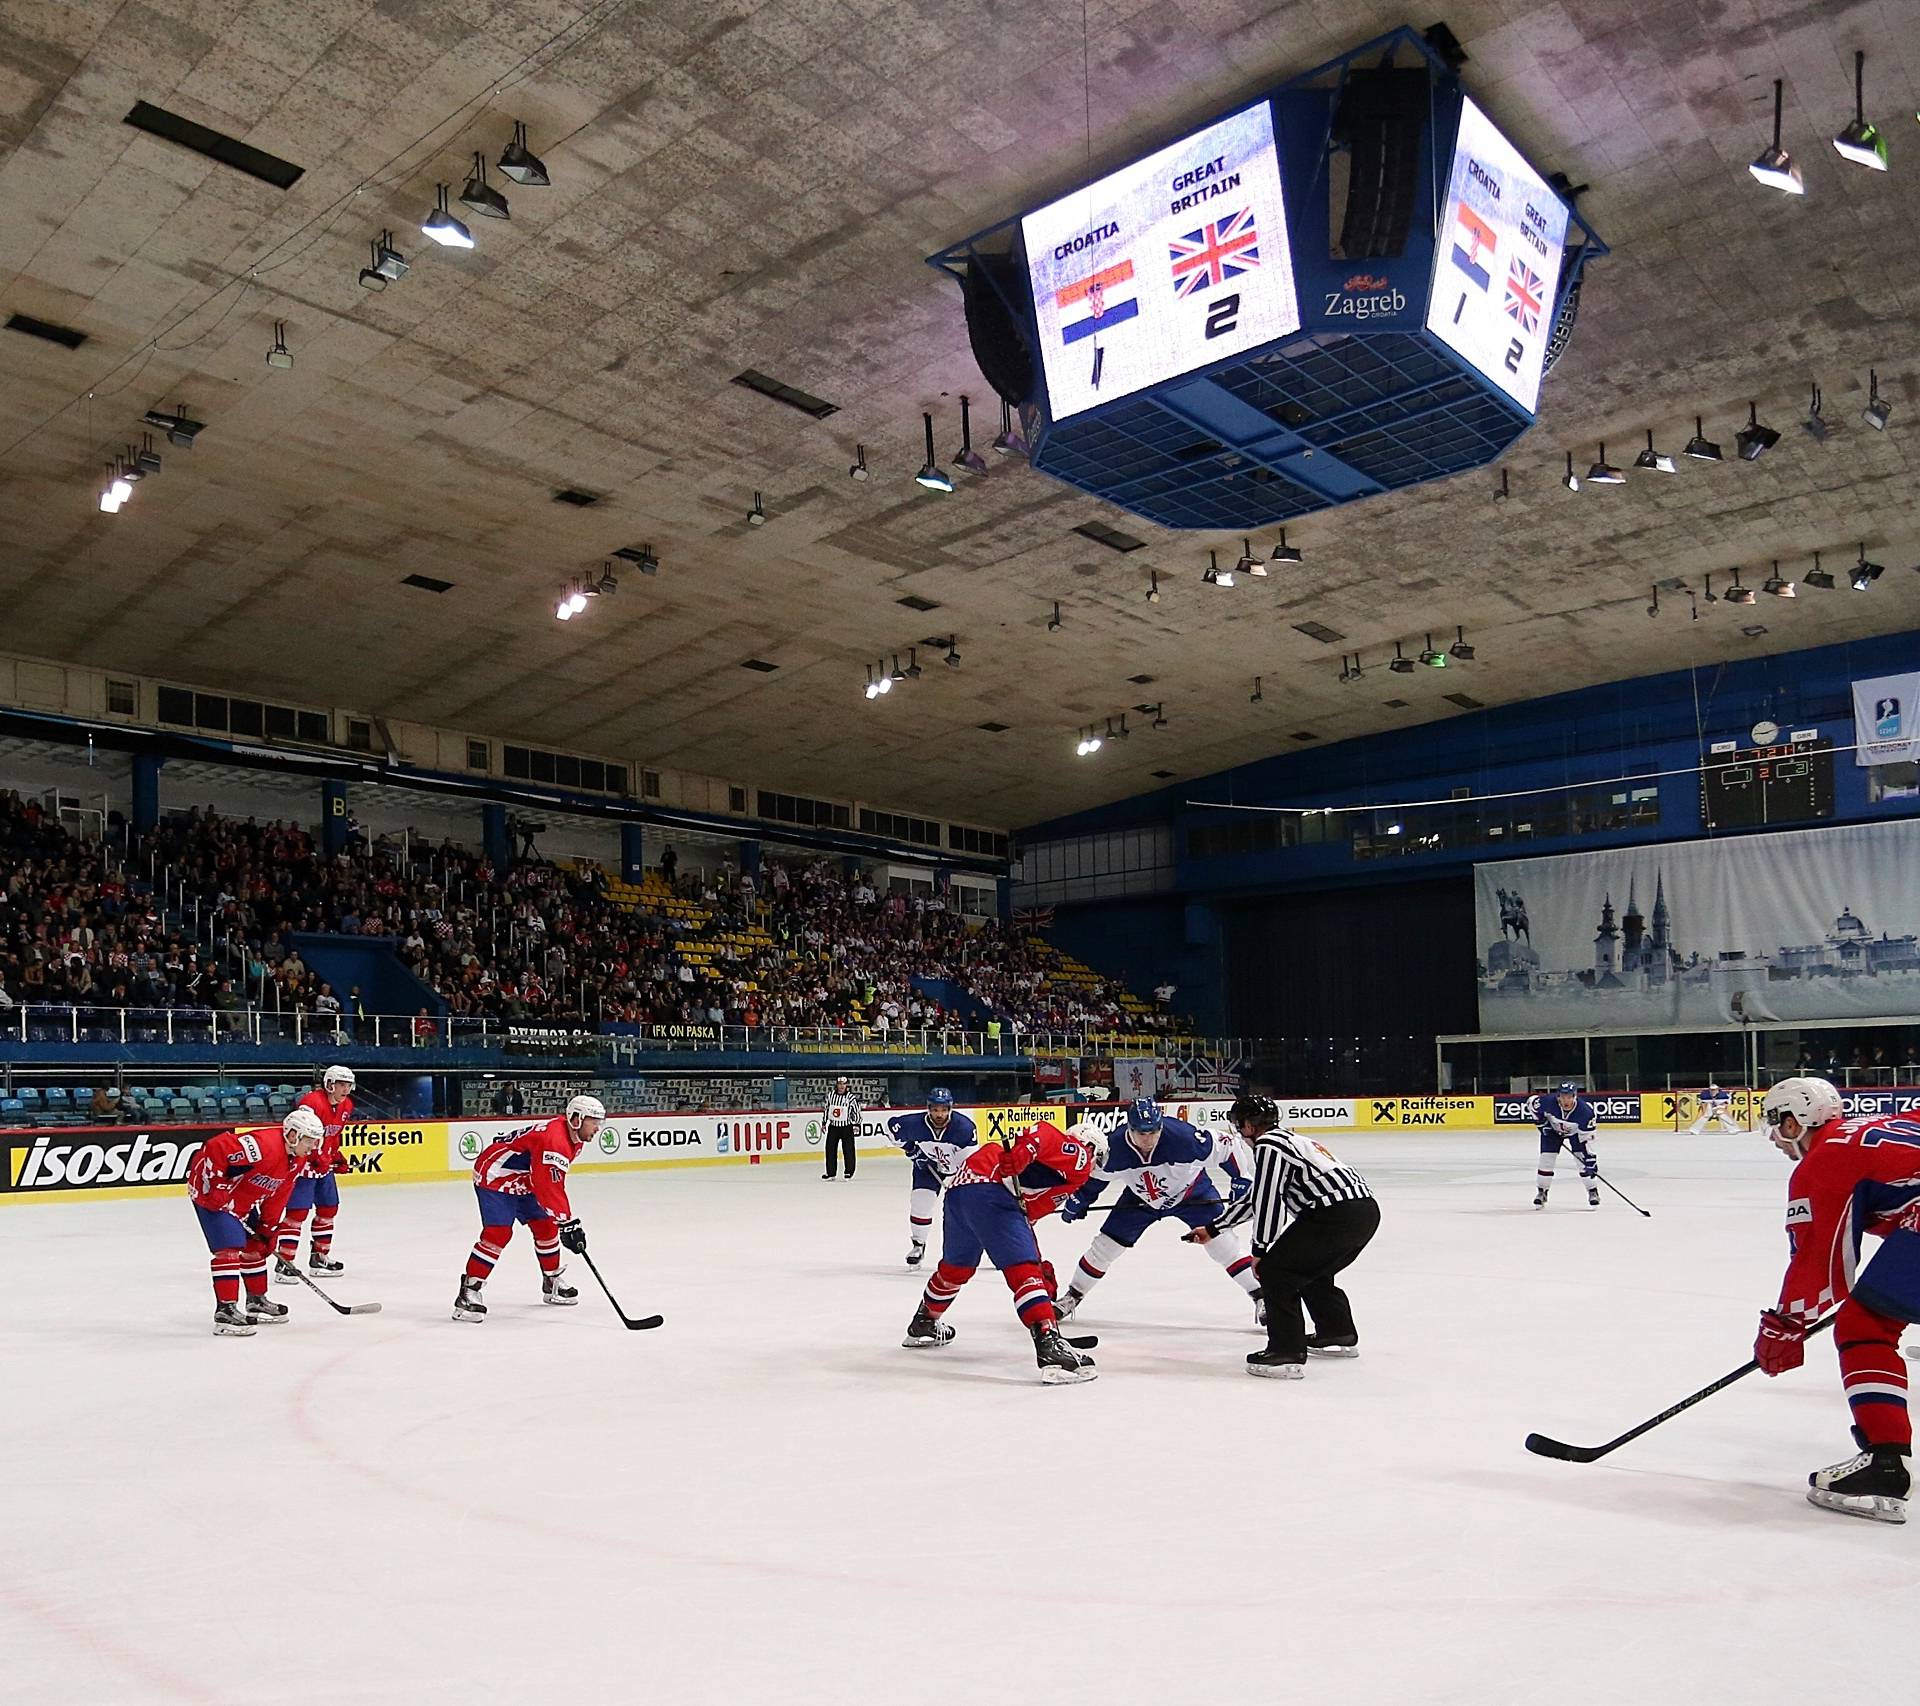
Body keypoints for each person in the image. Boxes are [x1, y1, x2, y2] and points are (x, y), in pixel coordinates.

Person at [1752, 1075, 1920, 1523]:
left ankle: (1885, 1466)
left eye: (1776, 1125)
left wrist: (1785, 1325)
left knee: (1865, 1326)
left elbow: (1818, 1262)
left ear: (1794, 1123)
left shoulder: (1822, 1161)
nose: (1775, 1139)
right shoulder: (1886, 1123)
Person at [900, 1118, 1100, 1384]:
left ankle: (924, 1321)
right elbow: (1043, 1133)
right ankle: (1049, 1344)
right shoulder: (1081, 1158)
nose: (1097, 1163)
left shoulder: (1055, 1176)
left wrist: (1038, 1264)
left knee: (955, 1269)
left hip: (960, 1191)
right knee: (1022, 1270)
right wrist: (1026, 1149)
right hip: (989, 1189)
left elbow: (1024, 1217)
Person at [1193, 1094, 1380, 1378]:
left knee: (1277, 1271)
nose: (1240, 1133)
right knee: (1310, 1271)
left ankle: (1285, 1351)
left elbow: (1269, 1201)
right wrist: (1214, 1228)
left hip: (1331, 1214)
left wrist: (1261, 1251)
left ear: (1249, 1125)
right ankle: (1336, 1332)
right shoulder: (1291, 1141)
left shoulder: (1268, 1146)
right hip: (1362, 1212)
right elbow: (1257, 1197)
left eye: (1239, 1125)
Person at [1056, 1098, 1259, 1324]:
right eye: (1141, 1133)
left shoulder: (1182, 1138)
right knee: (1105, 1247)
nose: (1148, 1139)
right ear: (1129, 1128)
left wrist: (1241, 1178)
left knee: (1223, 1245)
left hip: (1192, 1193)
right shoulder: (1115, 1147)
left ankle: (1261, 1296)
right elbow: (1097, 1178)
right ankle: (1072, 1296)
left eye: (1153, 1132)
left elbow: (1227, 1145)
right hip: (1140, 1199)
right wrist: (1081, 1198)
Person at [454, 1094, 606, 1322]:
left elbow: (547, 1179)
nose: (597, 1128)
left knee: (546, 1227)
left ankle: (551, 1281)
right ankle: (469, 1291)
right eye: (594, 1122)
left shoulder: (574, 1139)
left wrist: (562, 1221)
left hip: (525, 1177)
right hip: (495, 1175)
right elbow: (548, 1185)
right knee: (498, 1233)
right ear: (577, 1118)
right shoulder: (555, 1140)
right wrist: (567, 1221)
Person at [188, 1106, 325, 1336]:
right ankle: (226, 1311)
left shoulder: (297, 1160)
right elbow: (215, 1147)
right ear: (293, 1135)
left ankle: (256, 1301)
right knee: (229, 1249)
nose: (313, 1147)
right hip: (209, 1193)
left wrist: (268, 1228)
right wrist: (217, 1186)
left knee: (256, 1246)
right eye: (309, 1141)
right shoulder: (263, 1145)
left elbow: (279, 1194)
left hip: (242, 1196)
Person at [276, 1064, 355, 1281]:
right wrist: (314, 1156)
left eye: (348, 1084)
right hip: (303, 1166)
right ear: (329, 1084)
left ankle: (320, 1257)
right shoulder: (310, 1103)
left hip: (323, 1167)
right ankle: (285, 1263)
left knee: (329, 1209)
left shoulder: (347, 1105)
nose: (345, 1089)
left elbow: (334, 1135)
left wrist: (335, 1155)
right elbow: (300, 1134)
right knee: (296, 1214)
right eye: (341, 1084)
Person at [886, 1088, 977, 1267]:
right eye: (935, 1110)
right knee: (920, 1202)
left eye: (943, 1110)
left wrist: (960, 1183)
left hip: (958, 1169)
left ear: (950, 1109)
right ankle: (918, 1245)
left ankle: (988, 1243)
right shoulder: (914, 1124)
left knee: (970, 1207)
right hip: (927, 1167)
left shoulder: (964, 1128)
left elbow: (969, 1164)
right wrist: (912, 1150)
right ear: (928, 1109)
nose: (939, 1114)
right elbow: (892, 1128)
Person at [1533, 1082, 1599, 1209]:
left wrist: (1590, 1159)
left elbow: (1587, 1138)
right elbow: (1532, 1105)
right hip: (1552, 1131)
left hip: (1576, 1134)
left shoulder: (1585, 1112)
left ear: (1575, 1096)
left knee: (1582, 1161)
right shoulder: (1547, 1102)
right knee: (1546, 1160)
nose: (1566, 1100)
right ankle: (1542, 1192)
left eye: (1569, 1097)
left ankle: (1592, 1190)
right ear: (1558, 1096)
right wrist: (1541, 1123)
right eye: (1563, 1097)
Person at [822, 1075, 861, 1181]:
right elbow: (826, 1109)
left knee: (848, 1150)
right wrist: (824, 1122)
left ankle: (849, 1171)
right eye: (840, 1084)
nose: (841, 1086)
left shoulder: (850, 1097)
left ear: (846, 1085)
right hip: (833, 1127)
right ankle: (831, 1173)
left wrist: (856, 1124)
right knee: (830, 1149)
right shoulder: (830, 1096)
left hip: (846, 1127)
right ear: (837, 1085)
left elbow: (856, 1111)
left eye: (843, 1084)